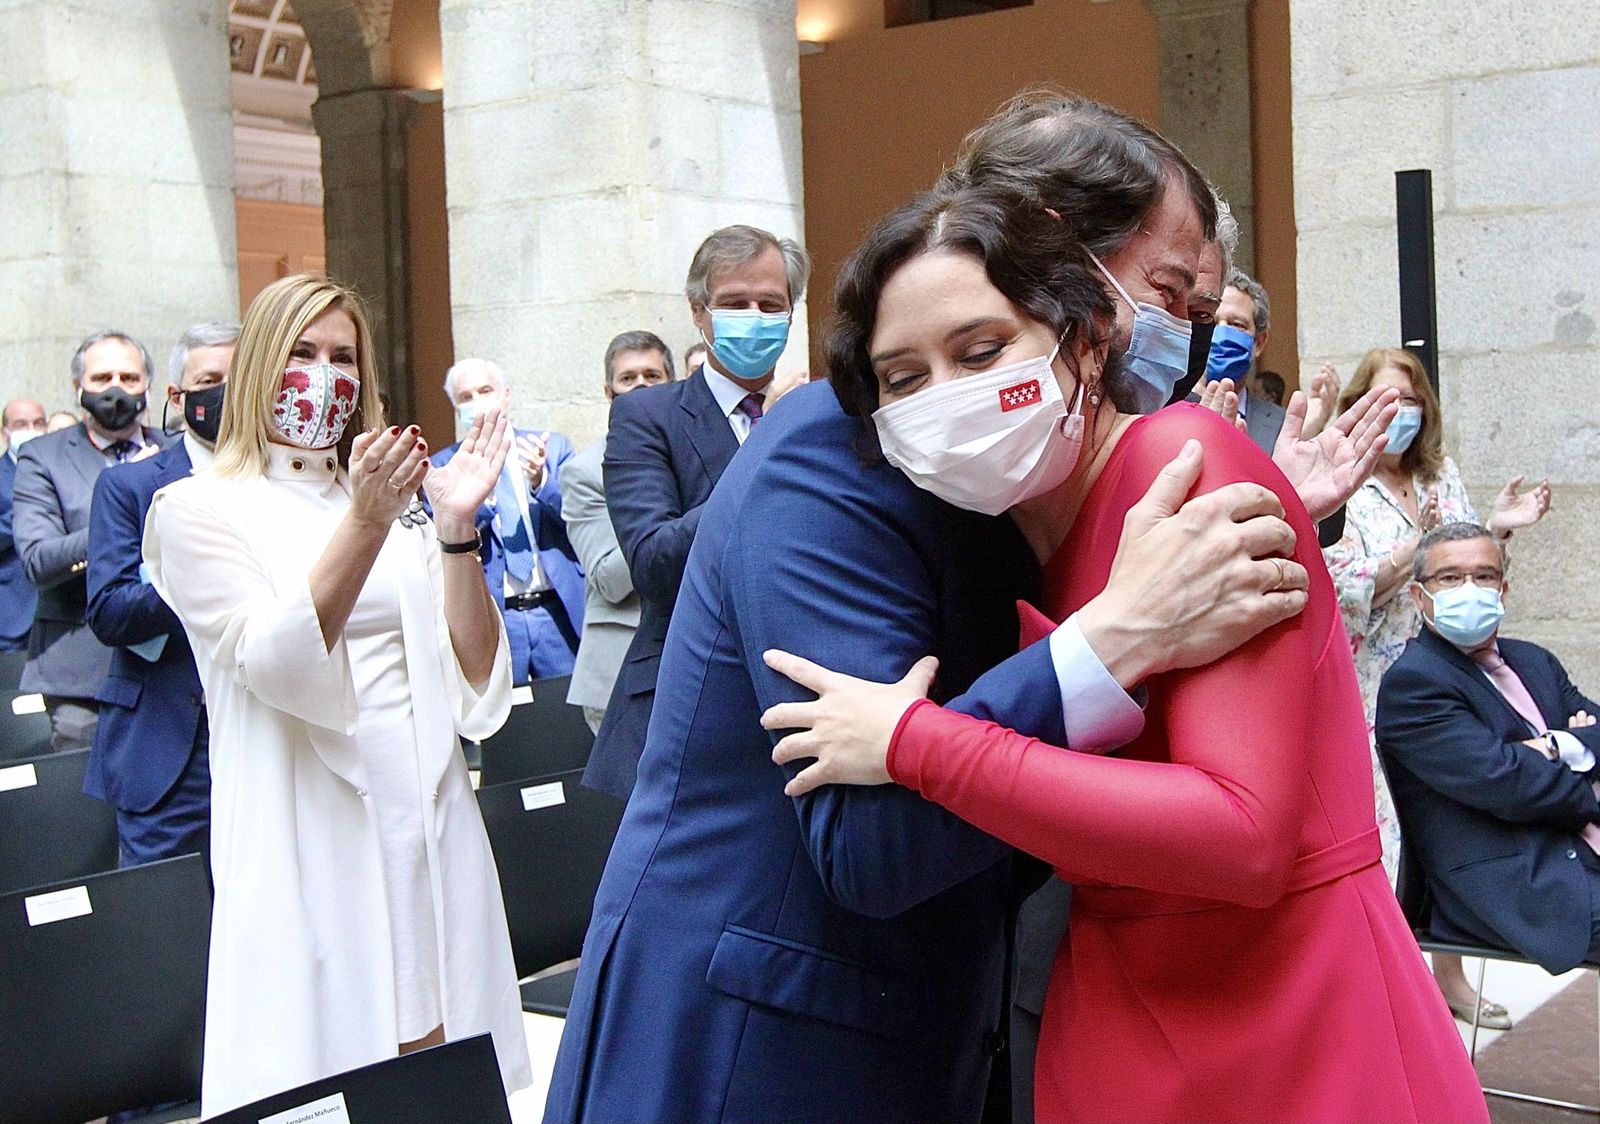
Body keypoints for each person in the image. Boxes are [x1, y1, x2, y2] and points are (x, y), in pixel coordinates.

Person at [545, 90, 1401, 1124]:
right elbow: (868, 839)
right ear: (1052, 261)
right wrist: (1110, 641)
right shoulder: (841, 450)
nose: (1164, 332)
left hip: (1015, 1017)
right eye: (1167, 288)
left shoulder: (1063, 485)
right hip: (759, 1037)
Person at [761, 184, 1484, 1123]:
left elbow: (1244, 836)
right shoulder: (996, 540)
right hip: (1121, 1011)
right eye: (903, 378)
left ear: (1087, 339)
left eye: (981, 352)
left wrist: (917, 744)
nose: (948, 396)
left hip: (1290, 1017)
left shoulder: (1182, 460)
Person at [143, 275, 529, 1115]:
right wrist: (364, 521)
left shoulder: (403, 507)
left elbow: (476, 684)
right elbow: (277, 665)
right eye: (302, 354)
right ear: (256, 371)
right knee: (327, 1077)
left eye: (343, 357)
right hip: (304, 822)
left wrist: (457, 527)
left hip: (423, 812)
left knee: (438, 1060)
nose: (325, 375)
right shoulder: (196, 508)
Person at [1324, 345, 1549, 1026]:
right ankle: (1384, 994)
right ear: (1363, 404)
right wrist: (1414, 553)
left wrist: (1500, 530)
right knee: (1385, 835)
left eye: (1413, 403)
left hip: (1451, 678)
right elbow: (1348, 589)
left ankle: (1448, 976)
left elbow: (1468, 566)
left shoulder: (1437, 475)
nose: (1402, 417)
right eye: (1388, 402)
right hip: (1374, 688)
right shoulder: (1343, 480)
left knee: (1450, 828)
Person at [584, 223, 812, 800]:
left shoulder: (823, 415)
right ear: (699, 312)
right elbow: (654, 562)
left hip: (802, 704)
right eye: (735, 303)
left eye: (771, 304)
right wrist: (768, 445)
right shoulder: (647, 416)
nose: (755, 317)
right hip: (684, 707)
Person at [1377, 522, 1600, 973]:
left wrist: (1550, 747)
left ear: (1503, 589)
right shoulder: (1414, 684)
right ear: (1421, 597)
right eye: (1451, 578)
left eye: (1484, 576)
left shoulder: (1535, 660)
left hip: (1580, 854)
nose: (1470, 588)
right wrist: (1584, 772)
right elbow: (1507, 782)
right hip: (1523, 884)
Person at [84, 322, 238, 867]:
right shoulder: (130, 487)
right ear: (177, 397)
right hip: (171, 749)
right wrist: (198, 576)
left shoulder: (287, 482)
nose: (227, 392)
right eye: (210, 379)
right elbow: (110, 610)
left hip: (268, 735)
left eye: (240, 377)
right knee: (171, 929)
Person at [13, 331, 167, 752]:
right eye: (102, 378)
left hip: (173, 667)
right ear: (78, 387)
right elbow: (38, 561)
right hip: (82, 676)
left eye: (129, 377)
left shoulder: (172, 450)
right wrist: (120, 503)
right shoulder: (43, 456)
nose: (116, 389)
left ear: (147, 385)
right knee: (85, 813)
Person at [433, 357, 585, 685]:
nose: (477, 402)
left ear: (506, 396)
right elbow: (442, 541)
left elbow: (583, 519)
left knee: (572, 720)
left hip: (555, 611)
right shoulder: (445, 466)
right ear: (456, 408)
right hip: (496, 618)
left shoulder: (551, 447)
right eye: (466, 397)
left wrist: (541, 484)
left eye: (485, 391)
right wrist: (480, 502)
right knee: (506, 727)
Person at [563, 331, 674, 732]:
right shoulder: (584, 472)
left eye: (652, 375)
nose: (641, 385)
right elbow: (607, 580)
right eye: (629, 378)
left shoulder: (690, 455)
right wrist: (665, 524)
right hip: (621, 673)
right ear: (609, 392)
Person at [1, 398, 47, 652]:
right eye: (21, 424)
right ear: (5, 431)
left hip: (58, 613)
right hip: (11, 613)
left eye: (38, 423)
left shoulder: (59, 471)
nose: (31, 429)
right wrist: (26, 511)